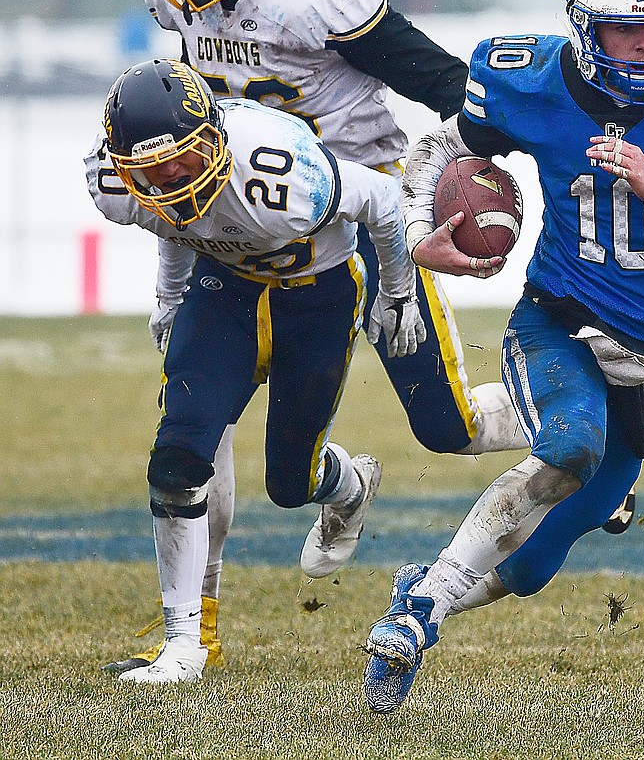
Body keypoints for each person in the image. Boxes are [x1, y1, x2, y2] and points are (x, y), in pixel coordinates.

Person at [104, 0, 531, 675]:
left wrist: (515, 133)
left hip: (357, 221)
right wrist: (173, 275)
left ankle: (569, 420)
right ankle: (195, 633)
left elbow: (432, 75)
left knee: (449, 426)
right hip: (238, 224)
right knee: (197, 428)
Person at [359, 0, 644, 713]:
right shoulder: (531, 83)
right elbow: (435, 147)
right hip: (558, 314)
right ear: (583, 28)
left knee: (531, 565)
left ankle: (429, 586)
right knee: (570, 441)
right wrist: (423, 227)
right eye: (625, 27)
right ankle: (415, 618)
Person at [85, 58, 424, 683]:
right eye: (150, 170)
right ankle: (184, 645)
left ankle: (348, 484)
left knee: (290, 481)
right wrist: (170, 296)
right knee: (179, 458)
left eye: (183, 157)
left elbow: (381, 199)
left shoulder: (281, 169)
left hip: (315, 292)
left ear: (212, 135)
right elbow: (178, 221)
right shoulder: (119, 184)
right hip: (226, 294)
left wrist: (397, 293)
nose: (172, 176)